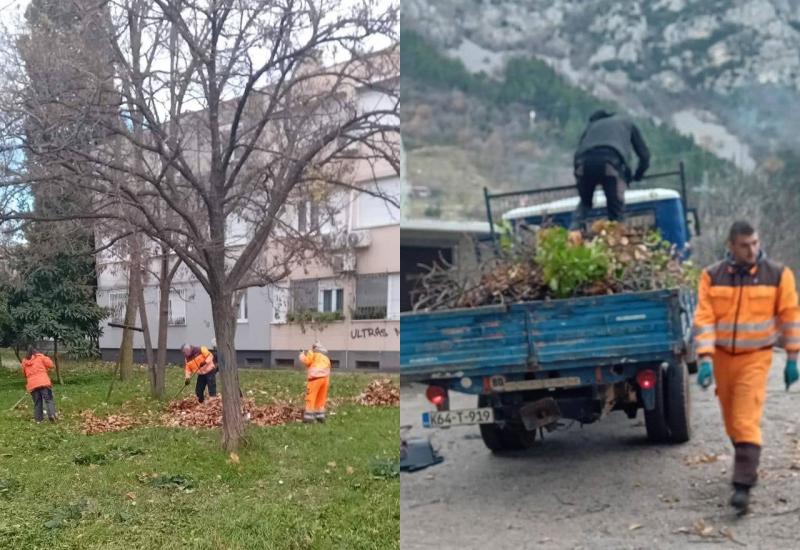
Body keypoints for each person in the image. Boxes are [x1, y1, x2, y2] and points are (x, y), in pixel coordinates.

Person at [693, 221, 800, 514]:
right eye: (744, 245)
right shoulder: (712, 276)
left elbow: (790, 316)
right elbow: (704, 318)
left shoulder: (778, 275)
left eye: (754, 243)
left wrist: (793, 357)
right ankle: (745, 460)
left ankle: (743, 486)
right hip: (723, 358)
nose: (752, 250)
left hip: (756, 356)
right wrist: (704, 359)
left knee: (745, 418)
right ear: (731, 246)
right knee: (731, 421)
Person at [570, 110, 650, 231]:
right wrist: (637, 176)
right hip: (610, 163)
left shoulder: (591, 127)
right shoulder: (626, 123)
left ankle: (572, 235)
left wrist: (579, 179)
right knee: (616, 213)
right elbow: (645, 156)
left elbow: (577, 155)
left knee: (584, 206)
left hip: (583, 164)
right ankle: (616, 242)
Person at [21, 346, 57, 423]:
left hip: (32, 385)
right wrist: (44, 357)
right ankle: (52, 415)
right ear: (36, 351)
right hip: (44, 383)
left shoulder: (24, 361)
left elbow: (24, 374)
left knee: (37, 402)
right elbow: (51, 365)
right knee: (49, 400)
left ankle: (38, 420)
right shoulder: (40, 357)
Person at [299, 341, 331, 423]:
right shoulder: (325, 357)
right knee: (320, 398)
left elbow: (307, 361)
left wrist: (302, 355)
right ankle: (320, 416)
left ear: (314, 348)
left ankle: (309, 417)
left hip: (315, 379)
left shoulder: (312, 353)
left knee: (311, 397)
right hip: (325, 379)